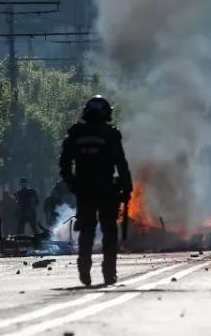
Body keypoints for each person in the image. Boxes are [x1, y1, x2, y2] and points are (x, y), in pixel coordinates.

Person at [59, 95, 132, 287]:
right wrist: (127, 186)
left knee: (86, 230)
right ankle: (109, 273)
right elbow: (121, 163)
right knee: (109, 231)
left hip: (84, 190)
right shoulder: (110, 133)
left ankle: (84, 269)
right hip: (107, 189)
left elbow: (64, 164)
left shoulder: (75, 133)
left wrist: (73, 184)